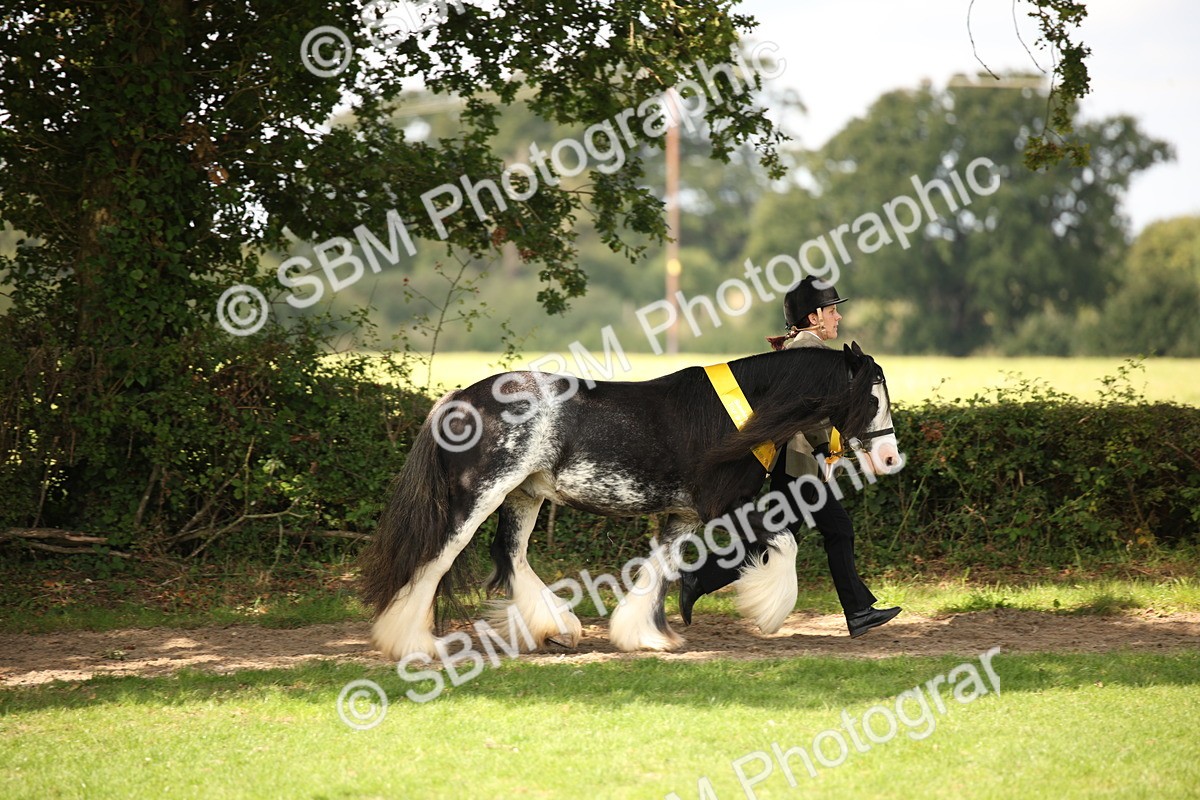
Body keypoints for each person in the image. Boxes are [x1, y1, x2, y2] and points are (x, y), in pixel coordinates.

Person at [680, 275, 901, 638]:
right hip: (800, 466)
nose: (837, 317)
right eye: (831, 311)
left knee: (775, 542)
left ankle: (699, 577)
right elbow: (805, 414)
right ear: (813, 317)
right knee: (837, 531)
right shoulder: (809, 354)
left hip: (797, 465)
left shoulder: (804, 349)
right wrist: (828, 451)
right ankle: (858, 611)